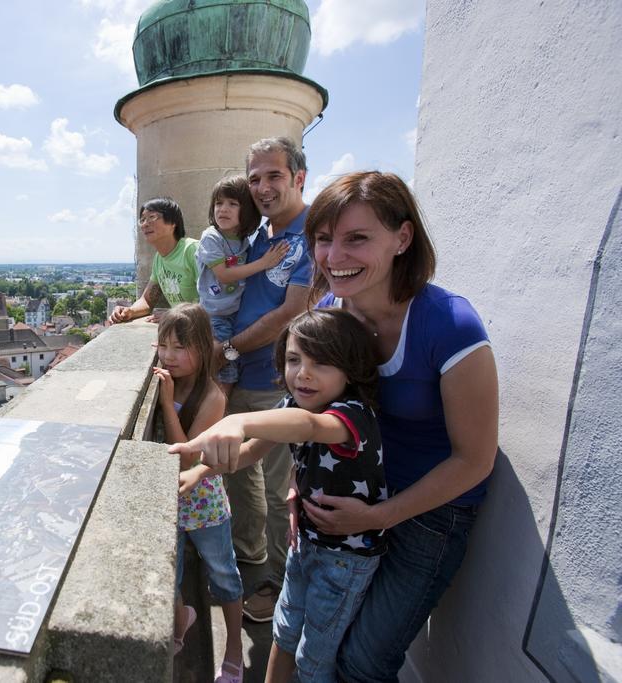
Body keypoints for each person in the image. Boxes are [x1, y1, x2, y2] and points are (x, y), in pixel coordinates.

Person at [195, 171, 499, 682]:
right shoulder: (334, 312)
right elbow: (309, 413)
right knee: (309, 634)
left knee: (362, 661)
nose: (334, 256)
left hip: (430, 513)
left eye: (357, 238)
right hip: (352, 504)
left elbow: (475, 459)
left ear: (402, 239)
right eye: (323, 239)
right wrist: (305, 483)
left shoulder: (449, 325)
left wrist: (376, 516)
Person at [172, 309, 385, 682]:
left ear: (350, 370)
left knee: (314, 659)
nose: (302, 373)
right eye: (292, 359)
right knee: (284, 633)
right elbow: (252, 451)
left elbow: (310, 427)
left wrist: (235, 421)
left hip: (344, 559)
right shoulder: (292, 403)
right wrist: (199, 471)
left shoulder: (351, 415)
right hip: (304, 545)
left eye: (320, 363)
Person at [223, 137, 315, 622]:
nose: (262, 187)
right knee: (242, 473)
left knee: (282, 490)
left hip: (279, 380)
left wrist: (231, 347)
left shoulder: (313, 233)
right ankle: (253, 560)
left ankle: (281, 590)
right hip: (246, 375)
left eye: (273, 175)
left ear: (299, 177)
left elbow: (292, 312)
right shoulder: (262, 236)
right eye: (254, 177)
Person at [153, 304, 243, 683]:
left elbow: (187, 457)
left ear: (203, 348)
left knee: (223, 575)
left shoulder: (213, 397)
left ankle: (235, 649)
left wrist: (166, 403)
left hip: (203, 500)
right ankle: (181, 620)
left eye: (180, 347)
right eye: (163, 346)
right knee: (168, 576)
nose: (169, 356)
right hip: (168, 497)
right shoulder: (166, 377)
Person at [196, 175, 289, 396]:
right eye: (219, 203)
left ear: (246, 210)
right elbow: (225, 275)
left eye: (232, 204)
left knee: (226, 367)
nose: (223, 209)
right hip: (216, 316)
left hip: (234, 315)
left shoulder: (244, 240)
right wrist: (263, 263)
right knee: (224, 372)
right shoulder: (212, 237)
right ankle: (217, 414)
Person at [111, 198, 199, 323]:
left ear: (173, 223)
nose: (145, 224)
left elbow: (215, 300)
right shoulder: (159, 258)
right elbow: (147, 300)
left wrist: (177, 315)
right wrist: (129, 311)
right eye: (142, 220)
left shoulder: (191, 250)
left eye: (152, 217)